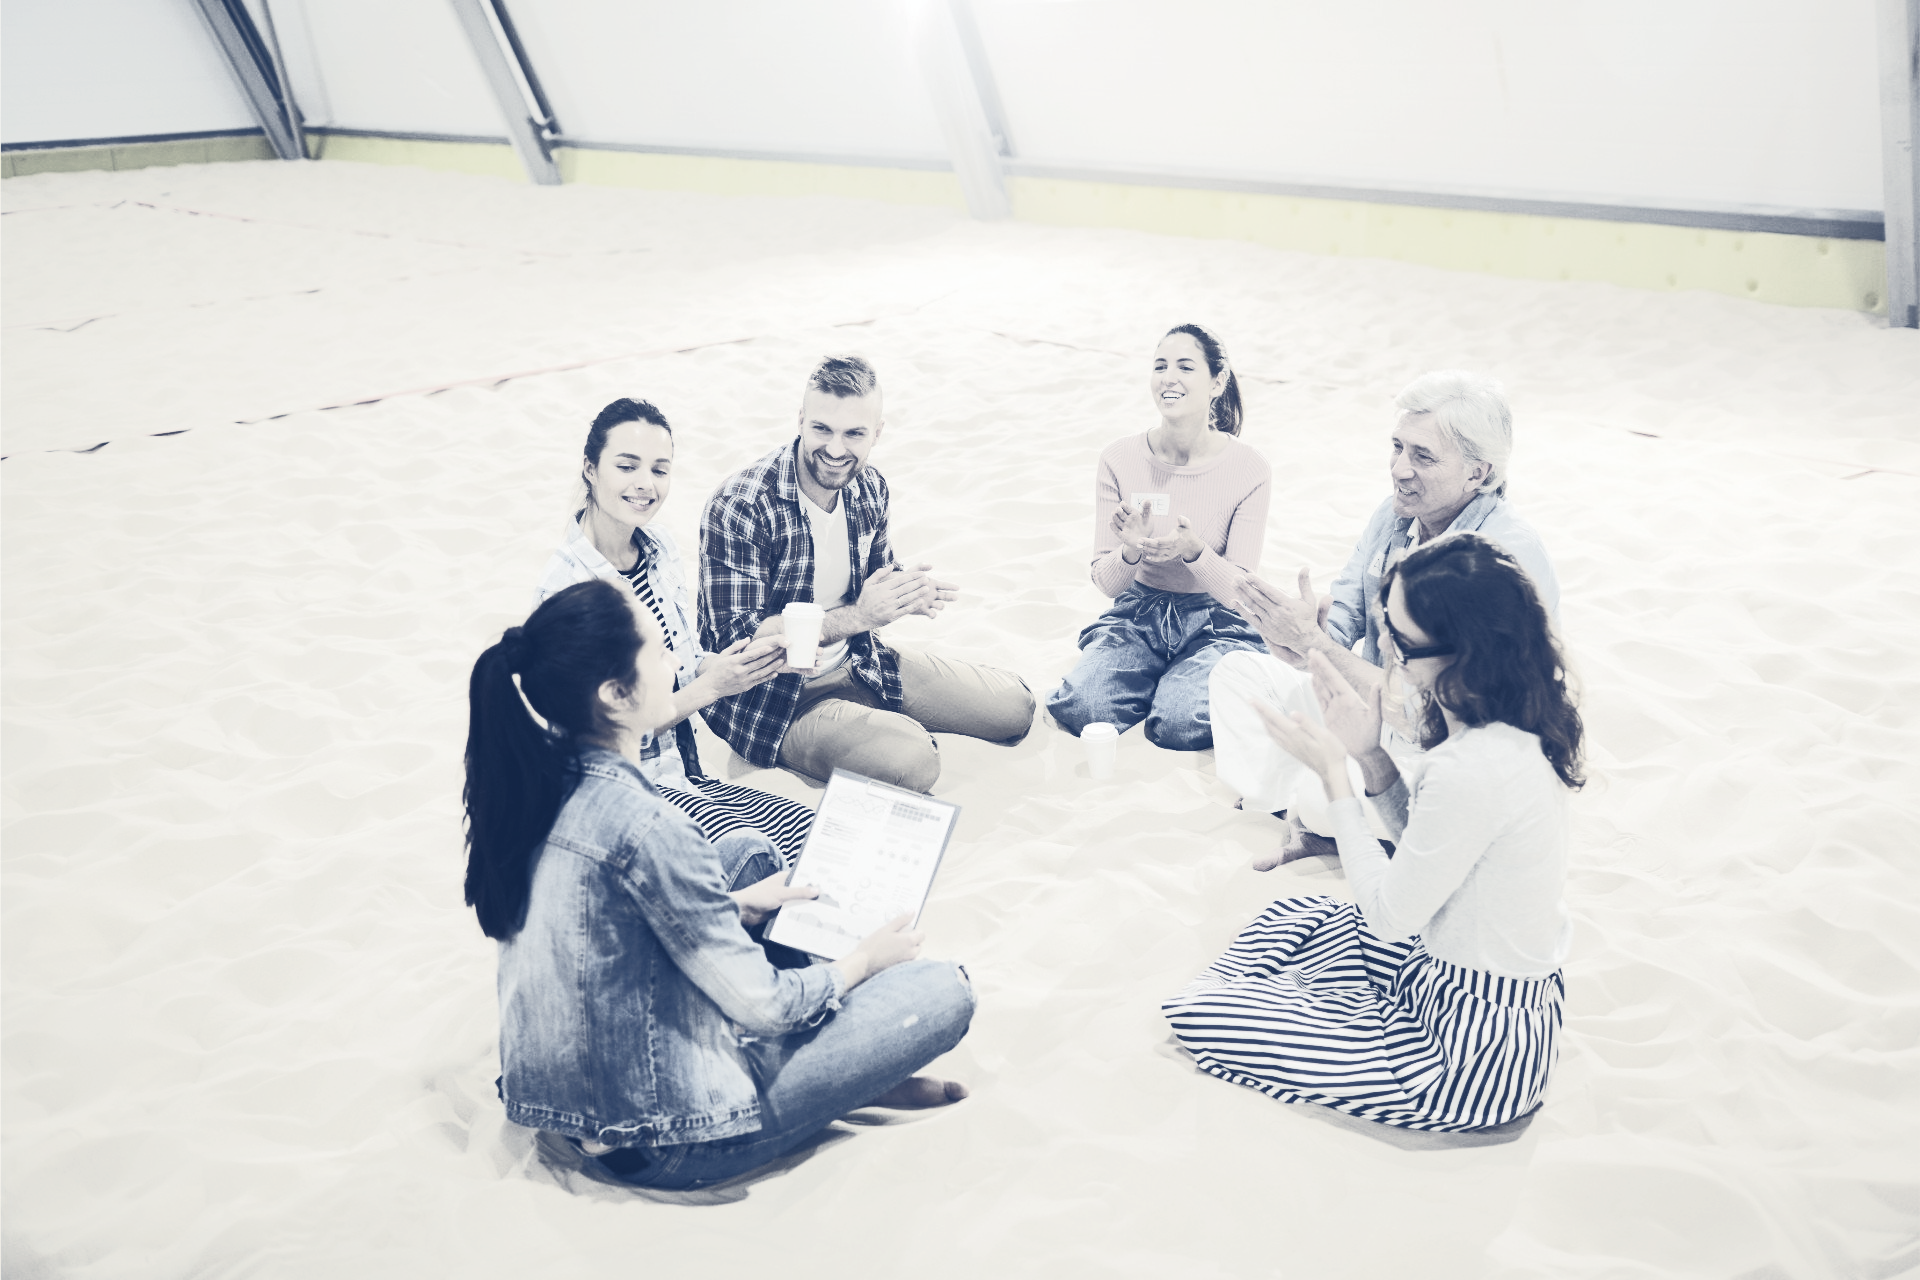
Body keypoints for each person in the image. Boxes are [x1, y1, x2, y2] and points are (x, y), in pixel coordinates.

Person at [465, 577, 974, 1190]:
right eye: (658, 654)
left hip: (568, 1104)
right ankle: (847, 1074)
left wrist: (731, 906)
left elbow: (607, 926)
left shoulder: (537, 784)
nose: (675, 665)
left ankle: (843, 1068)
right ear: (616, 695)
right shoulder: (649, 828)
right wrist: (863, 961)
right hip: (669, 1138)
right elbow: (769, 1007)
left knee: (745, 853)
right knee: (944, 988)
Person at [1163, 532, 1581, 1132]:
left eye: (1400, 642)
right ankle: (1299, 1000)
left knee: (1203, 1012)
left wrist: (1335, 774)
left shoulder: (1473, 765)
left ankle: (1295, 1006)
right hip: (1455, 977)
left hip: (1466, 1051)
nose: (1385, 649)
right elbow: (1424, 847)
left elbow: (1388, 918)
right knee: (1293, 916)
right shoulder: (1508, 716)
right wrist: (1370, 756)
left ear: (1460, 654)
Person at [1208, 370, 1559, 859]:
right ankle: (1302, 811)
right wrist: (1304, 635)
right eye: (1397, 447)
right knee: (1237, 673)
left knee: (1321, 795)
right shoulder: (1394, 514)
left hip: (1445, 749)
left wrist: (1316, 647)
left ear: (1478, 474)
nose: (1399, 469)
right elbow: (1344, 615)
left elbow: (1431, 711)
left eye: (1422, 456)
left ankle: (1319, 810)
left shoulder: (1499, 558)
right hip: (1373, 715)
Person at [699, 355, 1035, 792]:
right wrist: (859, 616)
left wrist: (907, 593)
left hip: (863, 662)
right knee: (913, 761)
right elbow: (734, 637)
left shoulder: (869, 487)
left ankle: (868, 721)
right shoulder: (741, 504)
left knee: (1015, 708)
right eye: (822, 429)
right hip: (777, 700)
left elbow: (875, 584)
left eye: (854, 433)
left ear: (877, 433)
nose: (836, 449)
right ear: (800, 420)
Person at [534, 397, 817, 865]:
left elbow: (685, 661)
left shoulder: (660, 547)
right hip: (622, 796)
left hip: (684, 773)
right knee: (756, 858)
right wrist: (711, 688)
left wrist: (746, 664)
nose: (645, 484)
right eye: (627, 466)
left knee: (813, 831)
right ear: (590, 468)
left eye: (659, 469)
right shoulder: (568, 589)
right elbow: (602, 735)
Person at [1045, 324, 1271, 750]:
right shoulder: (1118, 458)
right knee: (1083, 709)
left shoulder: (1249, 468)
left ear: (1217, 382)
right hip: (1138, 613)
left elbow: (1238, 592)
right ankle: (1160, 676)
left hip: (1215, 621)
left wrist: (1195, 552)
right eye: (1160, 366)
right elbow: (1106, 583)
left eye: (1185, 367)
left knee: (1179, 725)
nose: (1169, 378)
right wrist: (1130, 550)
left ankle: (1185, 682)